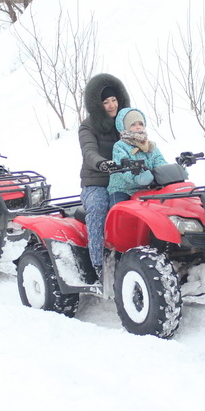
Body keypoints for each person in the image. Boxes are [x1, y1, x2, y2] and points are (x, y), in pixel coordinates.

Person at [78, 73, 131, 277]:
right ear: (97, 105)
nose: (111, 105)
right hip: (96, 183)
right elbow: (89, 151)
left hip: (126, 181)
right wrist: (102, 163)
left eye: (114, 100)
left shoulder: (125, 123)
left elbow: (142, 144)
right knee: (99, 207)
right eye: (106, 102)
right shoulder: (88, 126)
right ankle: (99, 265)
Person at [107, 107, 167, 204]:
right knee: (120, 211)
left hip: (146, 188)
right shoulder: (120, 146)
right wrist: (137, 178)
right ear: (125, 127)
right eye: (133, 124)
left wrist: (171, 172)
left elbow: (159, 161)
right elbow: (121, 167)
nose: (138, 127)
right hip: (124, 189)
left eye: (140, 124)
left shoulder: (150, 145)